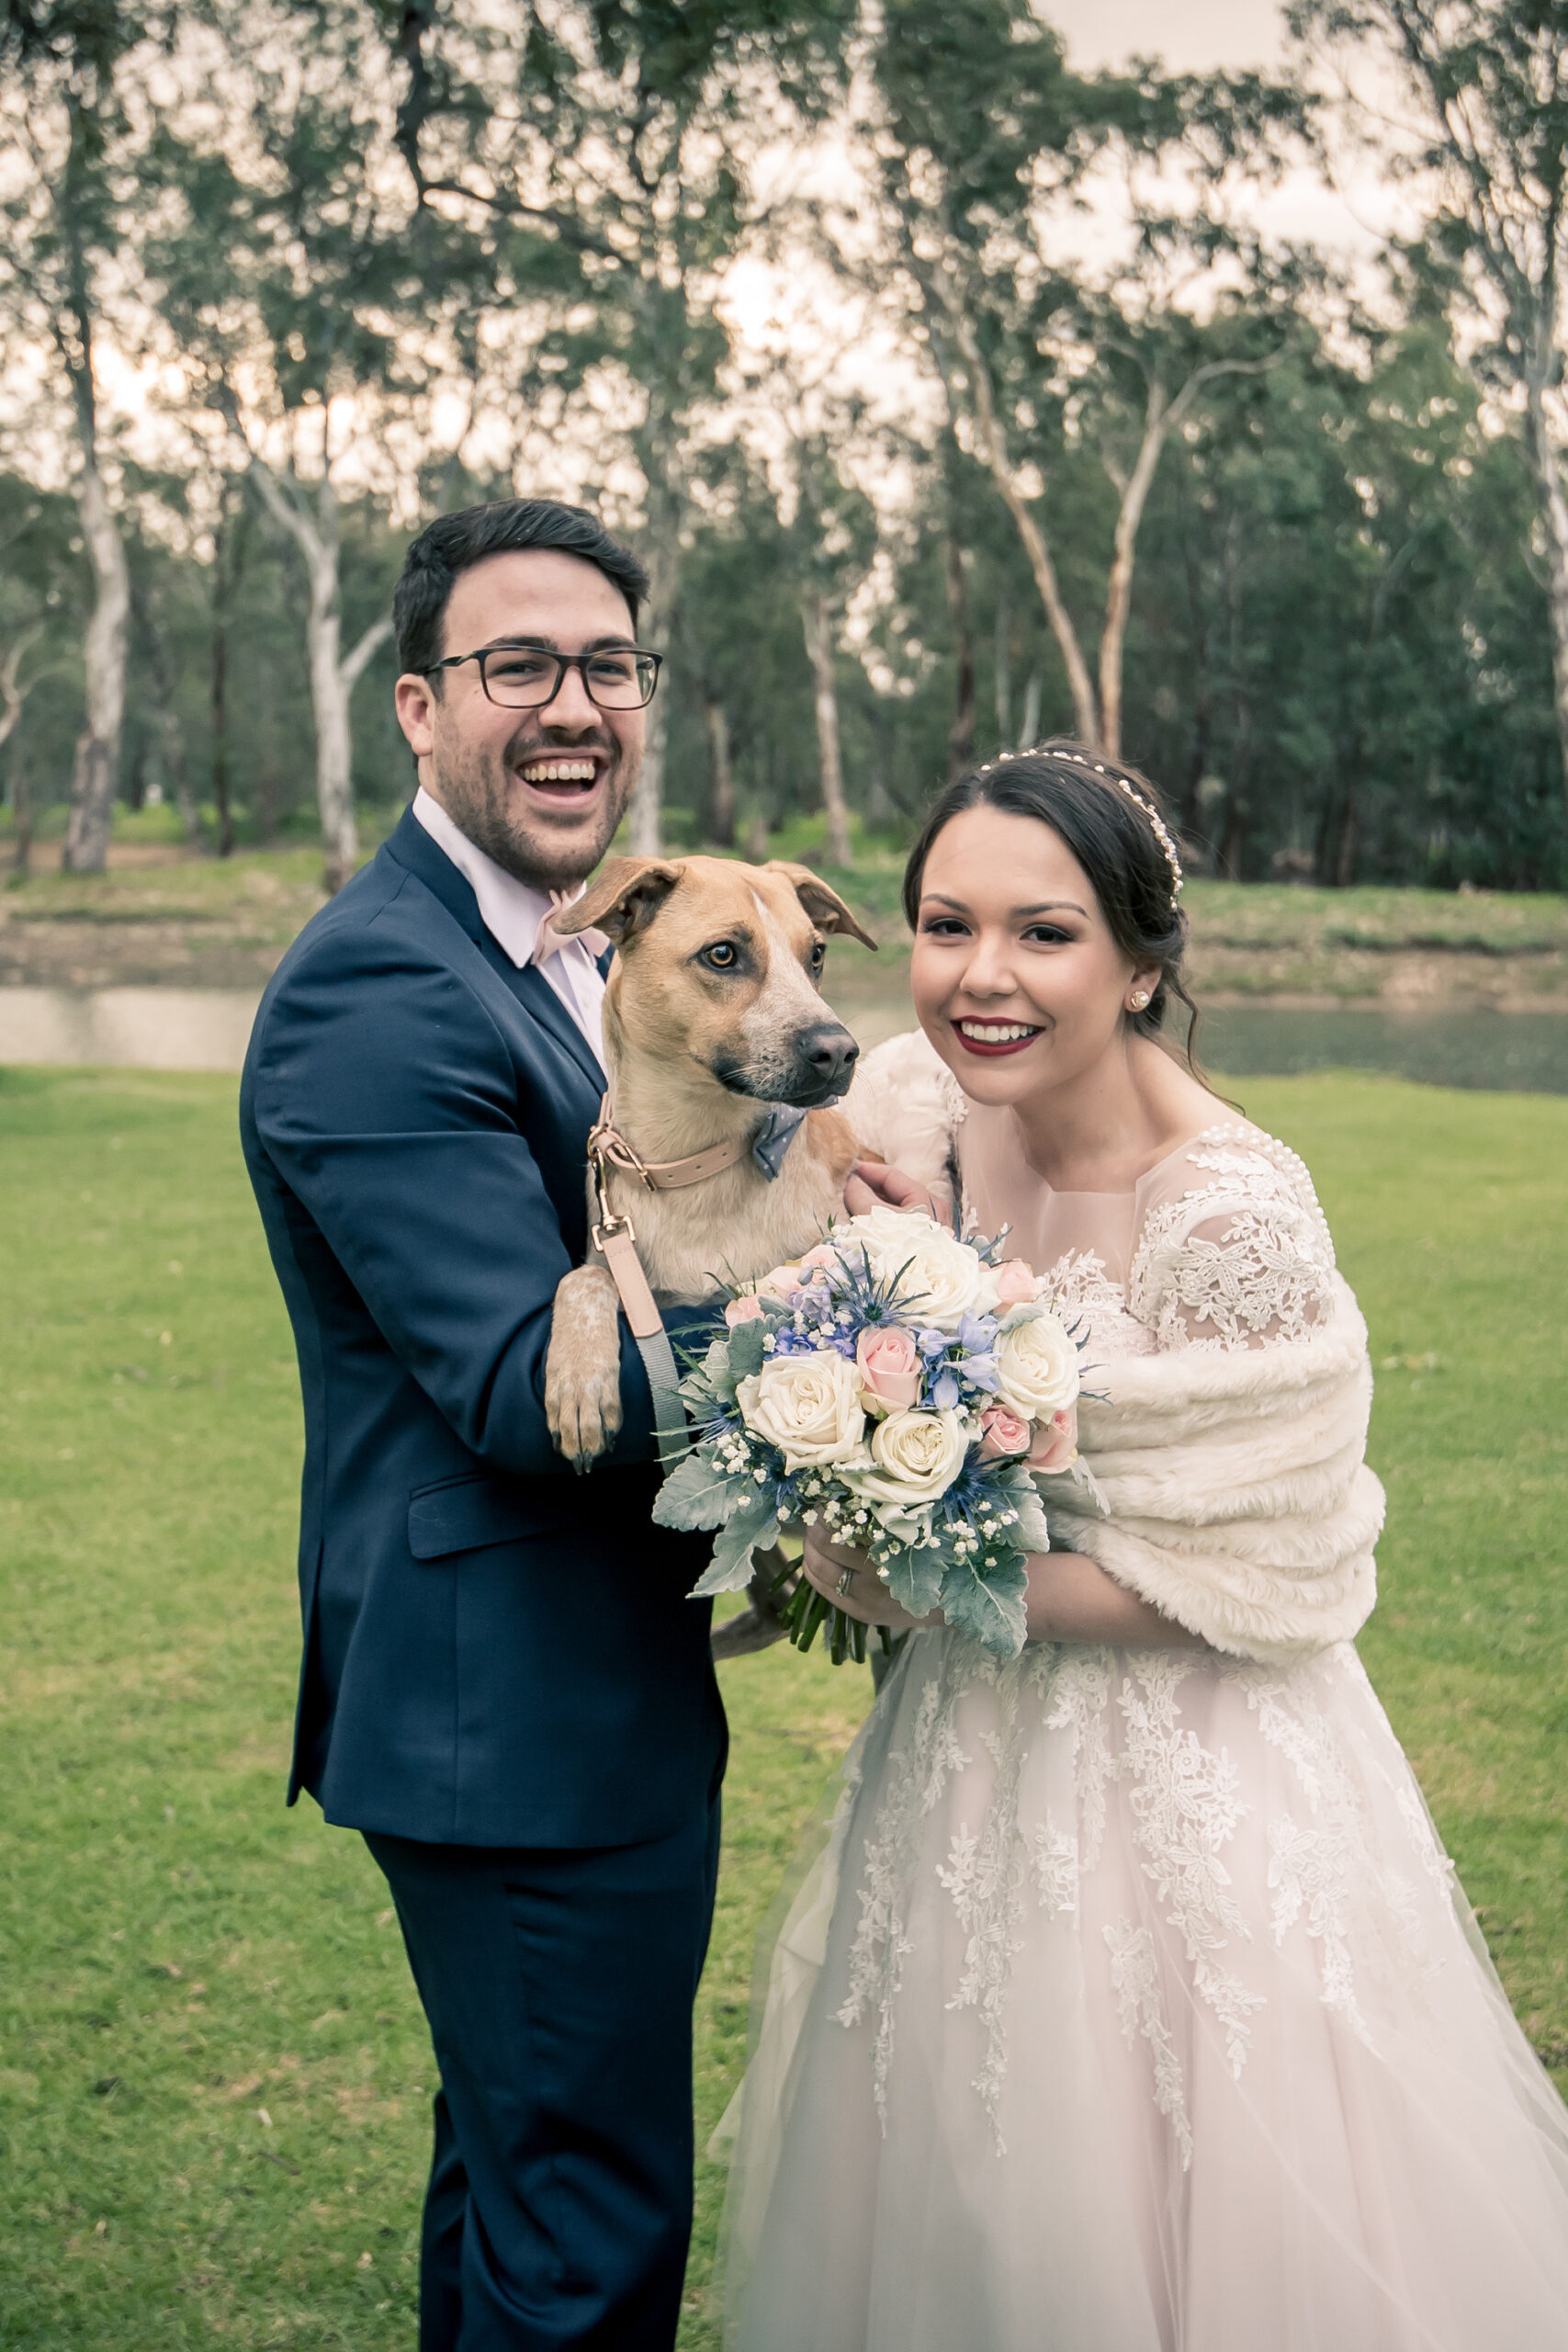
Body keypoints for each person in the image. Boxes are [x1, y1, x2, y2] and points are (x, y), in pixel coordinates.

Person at [719, 745, 1568, 2351]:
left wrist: (928, 1581)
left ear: (1140, 956)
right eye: (943, 923)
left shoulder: (1234, 1212)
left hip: (1196, 1783)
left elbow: (1269, 1577)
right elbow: (784, 1223)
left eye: (1044, 933)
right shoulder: (921, 1106)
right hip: (962, 1761)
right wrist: (820, 1429)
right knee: (955, 2175)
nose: (982, 977)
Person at [240, 497, 728, 2352]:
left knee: (518, 2180)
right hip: (504, 1713)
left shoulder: (582, 955)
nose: (572, 706)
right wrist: (873, 1345)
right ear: (419, 706)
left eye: (606, 664)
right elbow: (531, 1385)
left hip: (564, 1691)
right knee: (584, 2231)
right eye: (518, 664)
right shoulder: (380, 980)